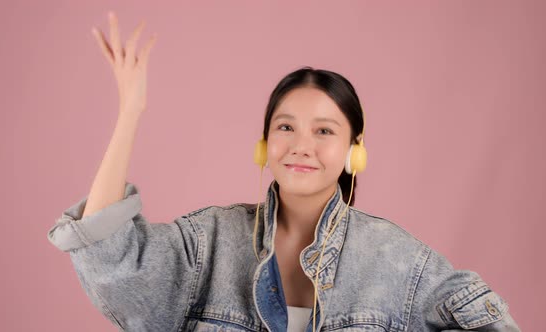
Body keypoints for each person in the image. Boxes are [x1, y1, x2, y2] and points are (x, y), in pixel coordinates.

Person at [47, 11, 521, 332]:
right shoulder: (208, 242)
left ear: (355, 149)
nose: (301, 146)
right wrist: (130, 111)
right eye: (286, 126)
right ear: (264, 144)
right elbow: (110, 254)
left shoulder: (398, 261)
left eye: (324, 131)